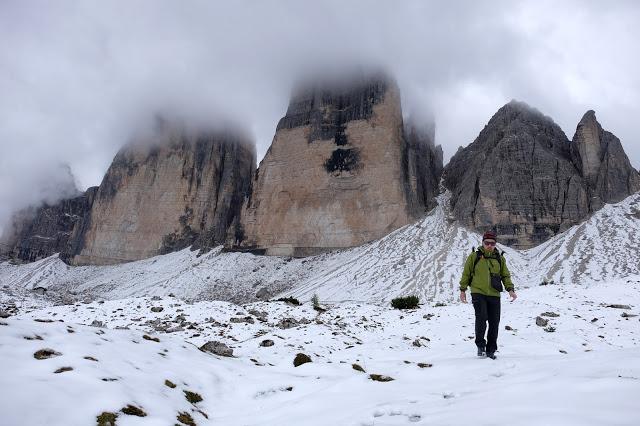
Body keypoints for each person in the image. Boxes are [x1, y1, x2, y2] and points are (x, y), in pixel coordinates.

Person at [459, 231, 517, 359]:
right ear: (483, 243)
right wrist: (463, 290)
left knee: (494, 322)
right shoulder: (474, 256)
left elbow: (505, 276)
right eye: (487, 243)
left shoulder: (499, 259)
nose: (490, 245)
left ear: (495, 244)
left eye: (492, 243)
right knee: (481, 318)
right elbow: (466, 274)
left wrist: (510, 290)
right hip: (478, 292)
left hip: (494, 294)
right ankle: (480, 345)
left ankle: (491, 349)